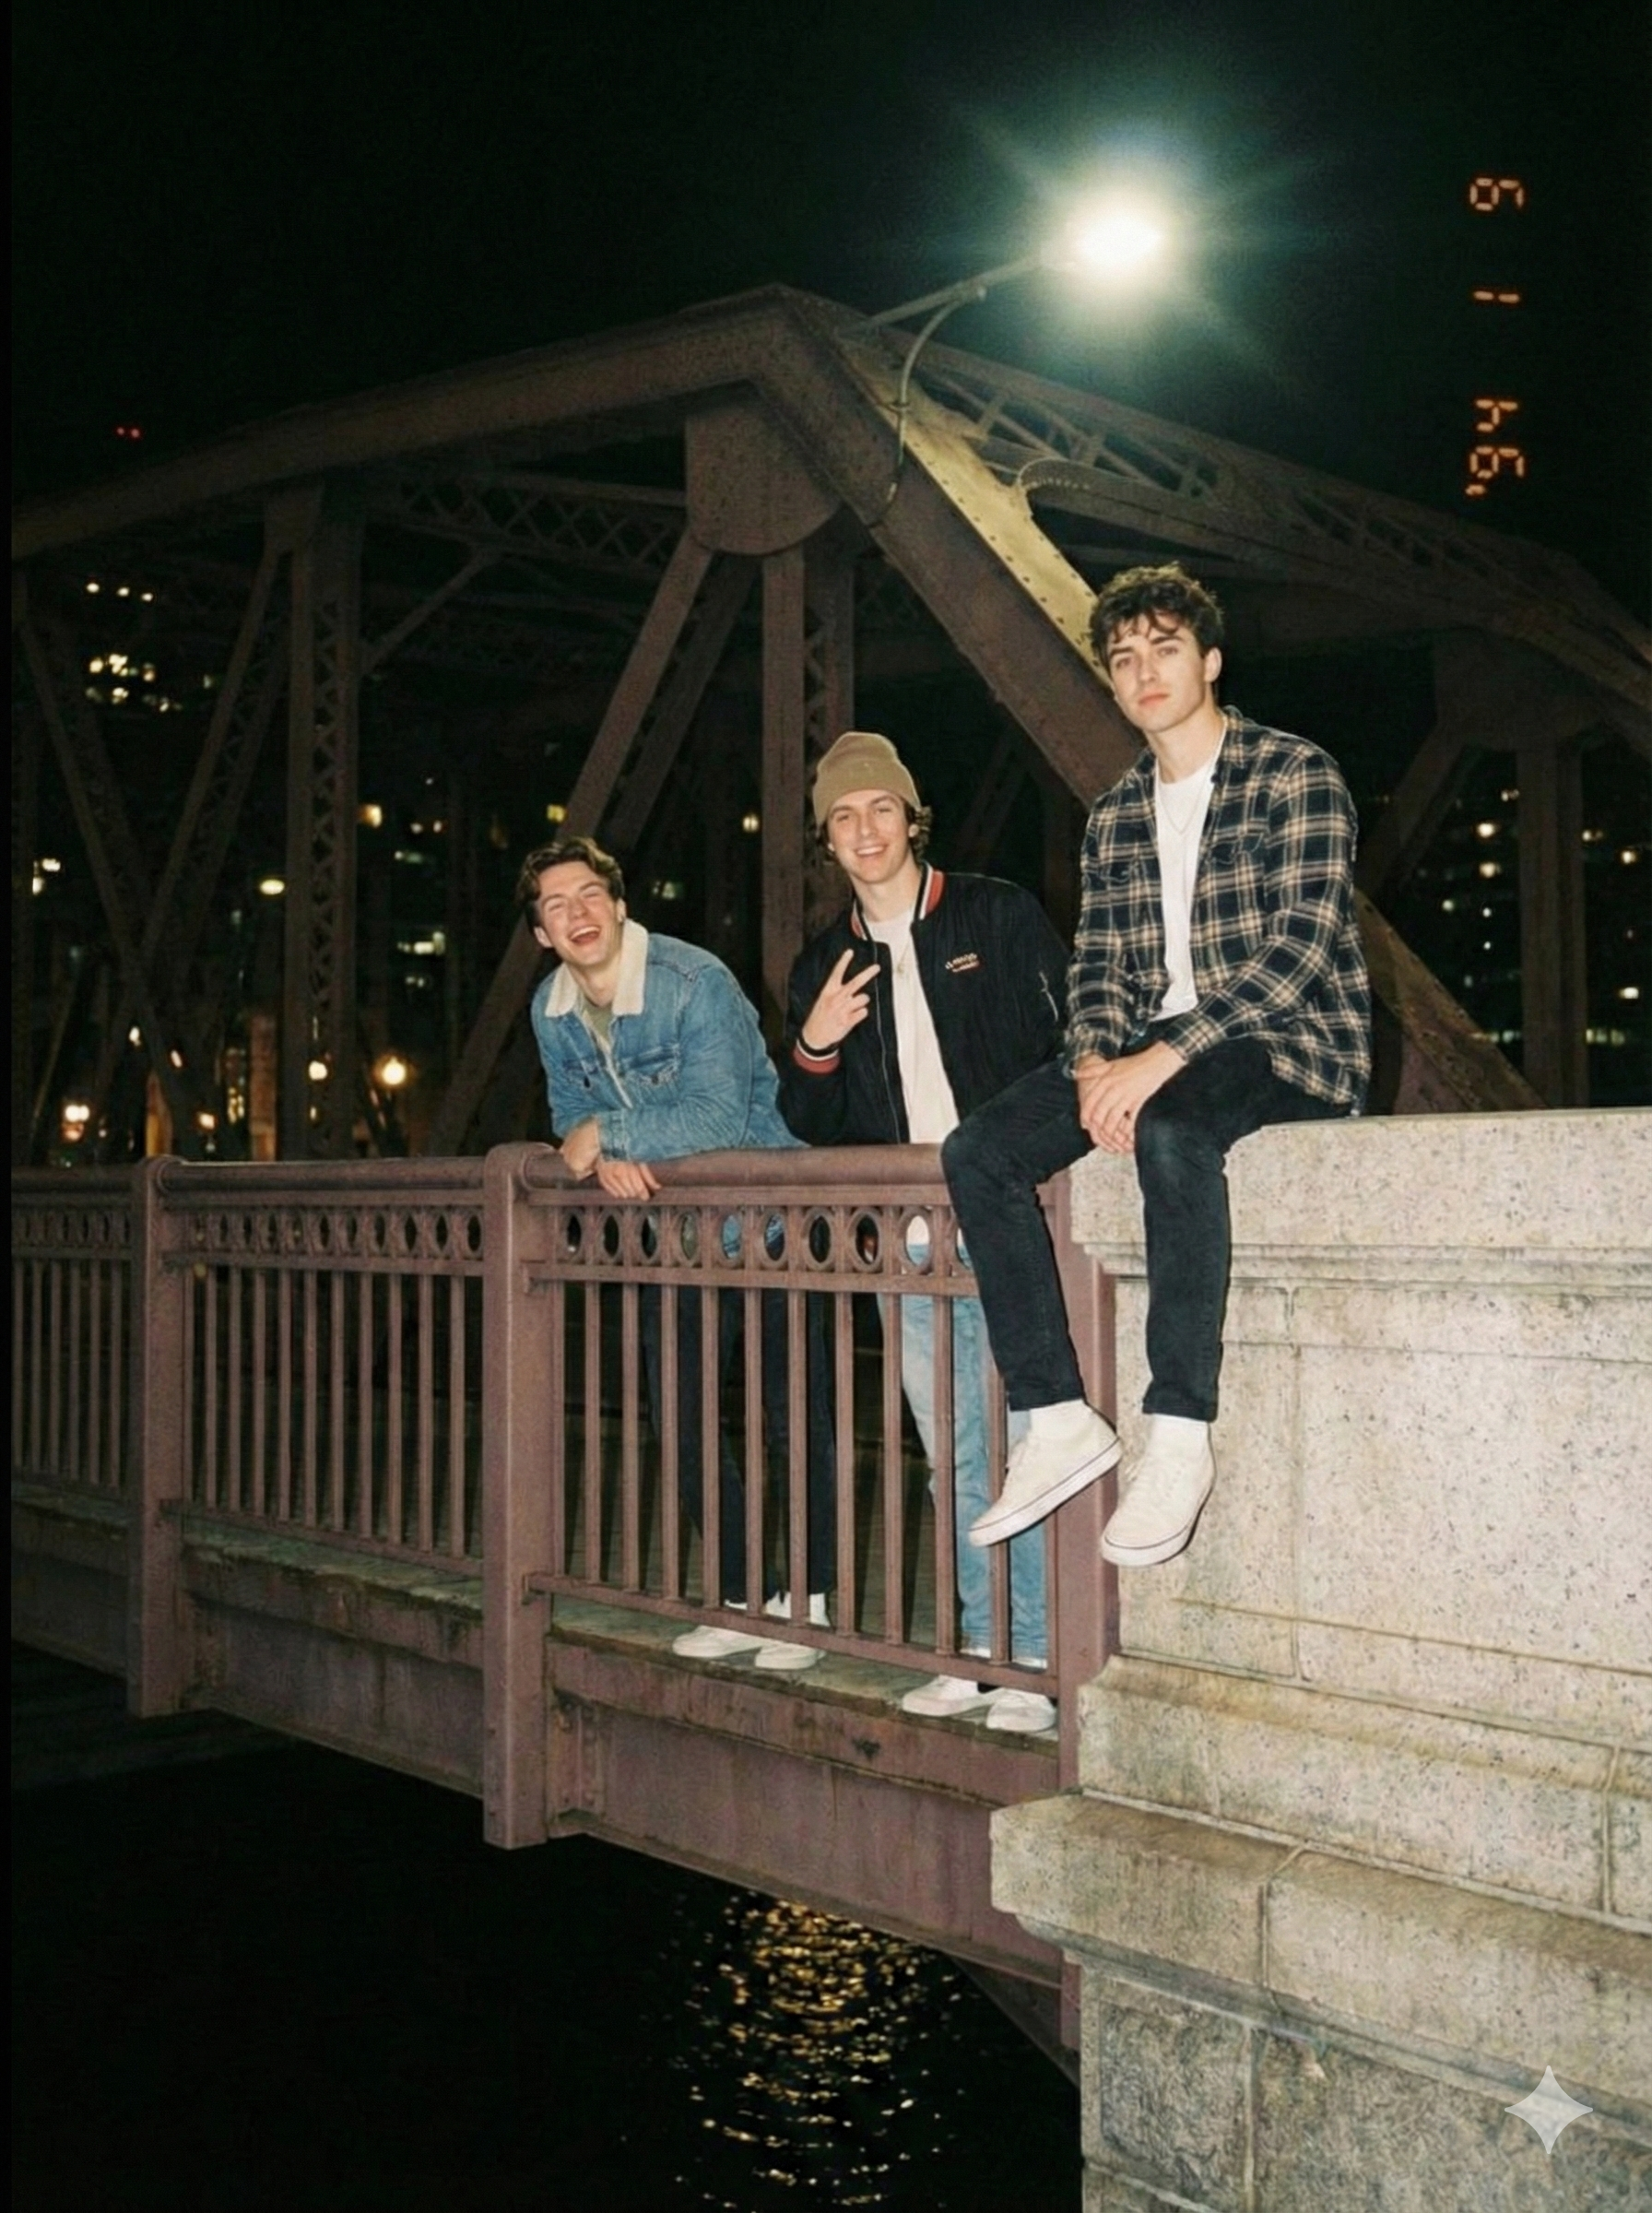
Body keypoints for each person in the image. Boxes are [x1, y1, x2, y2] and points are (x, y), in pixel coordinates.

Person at [943, 563, 1371, 1570]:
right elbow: (1098, 966)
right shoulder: (1117, 814)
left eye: (1164, 650)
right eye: (1124, 658)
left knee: (1174, 1132)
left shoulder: (1292, 773)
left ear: (1210, 661)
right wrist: (1097, 1059)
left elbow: (1301, 947)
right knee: (979, 1152)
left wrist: (1161, 1059)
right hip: (1153, 1048)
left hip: (1291, 1043)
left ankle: (1178, 1432)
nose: (1143, 673)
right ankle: (1057, 1416)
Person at [780, 731, 1069, 1734]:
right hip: (908, 1236)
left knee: (1030, 1438)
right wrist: (815, 1042)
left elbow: (1073, 1047)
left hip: (1013, 1216)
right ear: (827, 840)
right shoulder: (822, 963)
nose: (865, 830)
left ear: (912, 819)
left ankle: (1037, 1657)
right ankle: (977, 1647)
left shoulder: (995, 913)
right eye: (843, 817)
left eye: (880, 809)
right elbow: (809, 1125)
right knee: (952, 1449)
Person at [520, 834, 834, 1669]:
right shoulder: (551, 1008)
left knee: (792, 1416)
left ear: (621, 906)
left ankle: (809, 1606)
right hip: (676, 1232)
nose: (578, 914)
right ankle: (739, 1594)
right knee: (683, 1417)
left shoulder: (694, 982)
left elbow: (716, 1117)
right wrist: (605, 1152)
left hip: (770, 1219)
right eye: (557, 906)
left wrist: (613, 1135)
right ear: (543, 934)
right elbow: (567, 1117)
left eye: (590, 895)